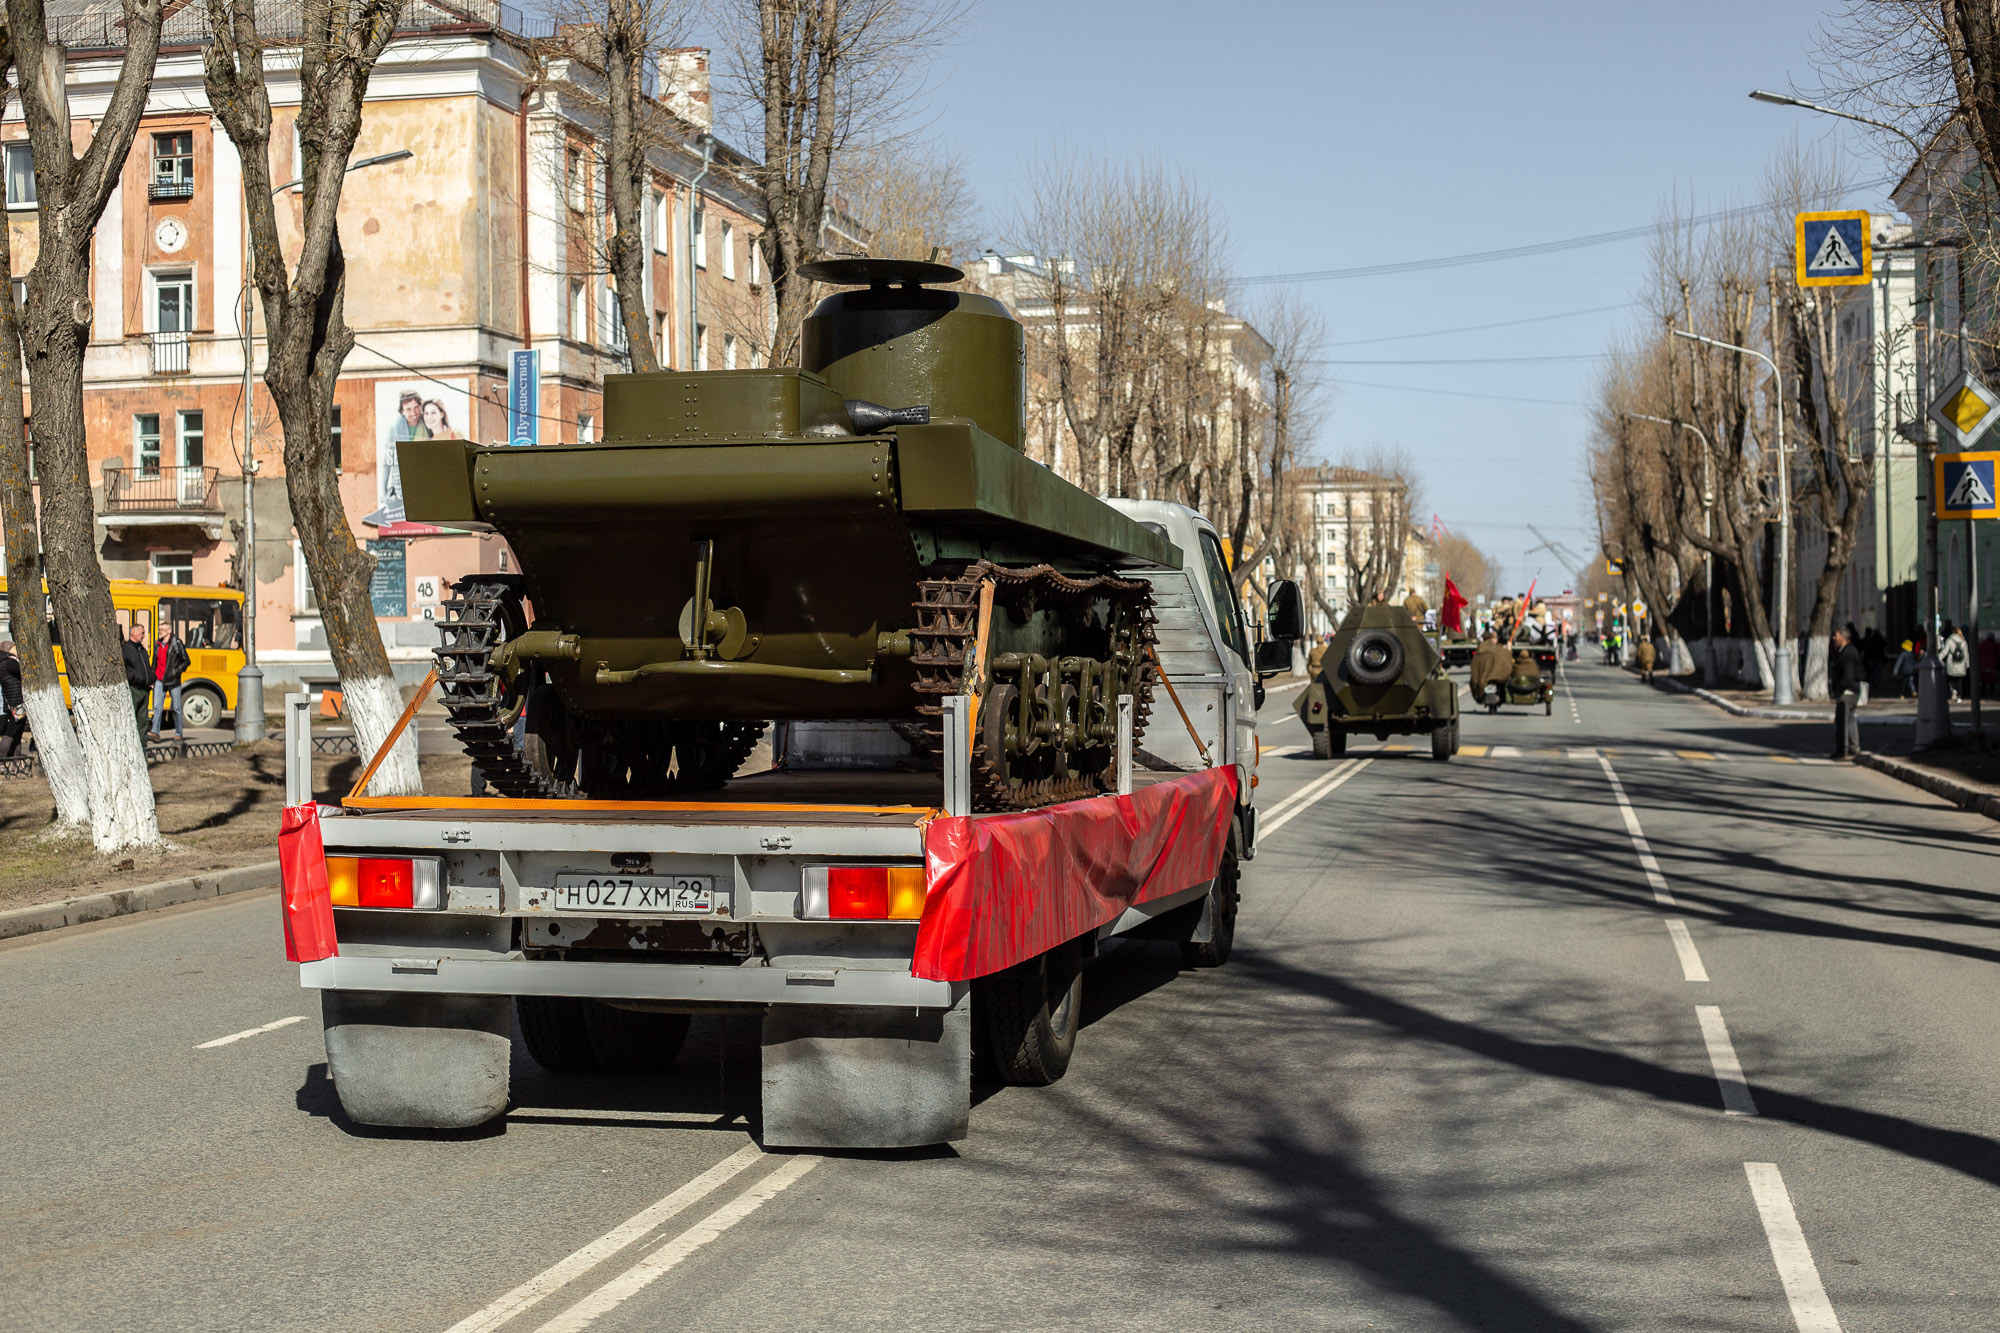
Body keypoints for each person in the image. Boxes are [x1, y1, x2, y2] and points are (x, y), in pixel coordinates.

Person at [151, 625, 191, 741]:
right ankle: (155, 732)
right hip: (159, 680)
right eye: (159, 630)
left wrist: (175, 671)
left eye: (163, 630)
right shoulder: (157, 644)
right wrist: (152, 678)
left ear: (169, 631)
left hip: (173, 680)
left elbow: (186, 661)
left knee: (176, 708)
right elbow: (154, 662)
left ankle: (178, 734)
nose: (160, 632)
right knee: (157, 707)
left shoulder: (176, 643)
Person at [1829, 627, 1863, 759]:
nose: (1833, 638)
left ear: (1843, 637)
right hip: (1850, 690)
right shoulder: (1844, 651)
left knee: (1842, 721)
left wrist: (1838, 690)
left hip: (1847, 692)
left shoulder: (1848, 653)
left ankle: (1842, 749)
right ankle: (1854, 747)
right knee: (1850, 719)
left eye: (1836, 636)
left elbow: (1847, 676)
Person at [122, 624, 153, 736]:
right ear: (133, 633)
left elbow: (146, 668)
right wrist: (132, 679)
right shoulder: (126, 649)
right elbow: (124, 668)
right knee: (132, 718)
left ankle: (142, 745)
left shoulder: (142, 649)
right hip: (134, 689)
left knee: (143, 720)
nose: (144, 635)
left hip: (145, 689)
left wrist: (151, 680)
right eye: (142, 633)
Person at [0, 640, 22, 757]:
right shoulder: (10, 663)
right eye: (14, 647)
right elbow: (24, 671)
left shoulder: (4, 662)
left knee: (16, 733)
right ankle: (2, 759)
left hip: (12, 703)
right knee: (11, 733)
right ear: (9, 649)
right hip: (17, 703)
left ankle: (15, 761)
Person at [1939, 621, 1971, 700]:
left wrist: (1938, 658)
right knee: (1960, 680)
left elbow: (1945, 652)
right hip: (1961, 664)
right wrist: (1967, 664)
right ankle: (1960, 695)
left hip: (1952, 664)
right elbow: (1966, 654)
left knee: (1952, 679)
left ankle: (1954, 692)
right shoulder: (1963, 641)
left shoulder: (1950, 640)